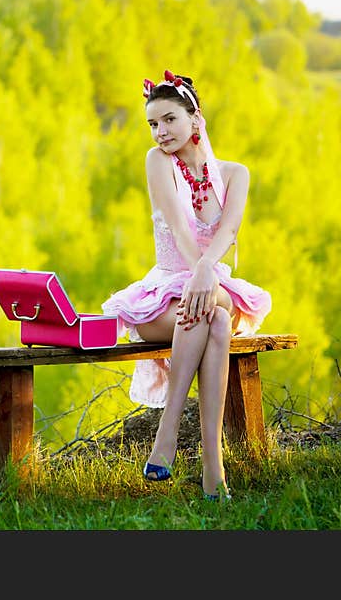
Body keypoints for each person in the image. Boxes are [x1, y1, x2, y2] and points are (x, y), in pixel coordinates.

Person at [101, 70, 271, 500]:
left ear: (195, 119)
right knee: (211, 318)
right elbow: (178, 228)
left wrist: (204, 273)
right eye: (153, 124)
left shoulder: (235, 174)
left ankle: (170, 438)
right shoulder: (157, 163)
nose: (160, 132)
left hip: (210, 283)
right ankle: (212, 467)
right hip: (164, 296)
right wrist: (199, 274)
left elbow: (228, 231)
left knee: (211, 308)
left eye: (169, 120)